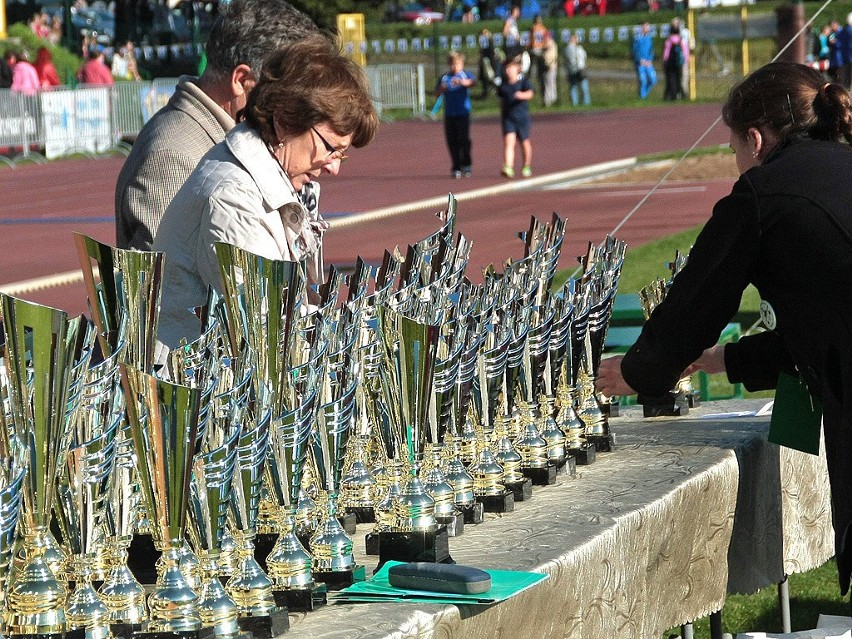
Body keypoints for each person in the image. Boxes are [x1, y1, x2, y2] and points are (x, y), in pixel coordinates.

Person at [595, 62, 852, 598]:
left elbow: (694, 306)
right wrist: (721, 361)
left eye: (733, 148)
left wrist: (637, 371)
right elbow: (825, 323)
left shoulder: (762, 195)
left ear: (755, 140)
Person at [153, 35, 378, 355]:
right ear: (284, 122)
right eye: (331, 149)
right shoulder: (233, 201)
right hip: (198, 391)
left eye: (342, 154)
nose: (334, 168)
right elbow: (267, 329)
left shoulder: (265, 178)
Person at [115, 0, 318, 251]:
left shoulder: (233, 140)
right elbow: (165, 284)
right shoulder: (174, 157)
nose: (297, 110)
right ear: (242, 81)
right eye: (289, 93)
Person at [436, 51, 475, 179]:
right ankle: (456, 166)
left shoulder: (465, 75)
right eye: (452, 64)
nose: (455, 67)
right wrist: (441, 89)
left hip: (463, 113)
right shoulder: (445, 78)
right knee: (452, 140)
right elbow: (437, 93)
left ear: (462, 64)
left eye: (457, 64)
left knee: (464, 139)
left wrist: (464, 83)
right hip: (449, 114)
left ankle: (467, 163)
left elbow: (473, 82)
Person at [497, 54, 533, 178]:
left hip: (522, 118)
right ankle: (508, 166)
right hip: (508, 118)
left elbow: (530, 93)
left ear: (517, 68)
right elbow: (500, 99)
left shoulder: (523, 81)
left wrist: (521, 95)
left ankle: (526, 165)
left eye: (510, 68)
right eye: (506, 68)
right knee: (509, 142)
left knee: (524, 142)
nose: (508, 71)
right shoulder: (503, 84)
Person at [632, 22, 656, 100]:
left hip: (648, 63)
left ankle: (645, 93)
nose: (647, 29)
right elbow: (635, 51)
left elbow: (651, 50)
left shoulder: (649, 38)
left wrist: (650, 60)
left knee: (653, 80)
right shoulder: (637, 38)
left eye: (648, 27)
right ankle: (642, 97)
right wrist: (640, 60)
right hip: (640, 63)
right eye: (646, 27)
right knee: (643, 80)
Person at [565, 33, 590, 106]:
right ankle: (586, 102)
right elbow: (583, 57)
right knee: (583, 87)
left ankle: (574, 103)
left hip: (570, 70)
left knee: (573, 87)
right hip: (580, 69)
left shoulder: (566, 49)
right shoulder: (578, 48)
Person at [662, 25, 686, 100]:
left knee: (671, 79)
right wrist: (684, 61)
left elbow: (666, 52)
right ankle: (681, 94)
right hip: (678, 63)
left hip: (670, 63)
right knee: (678, 78)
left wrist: (664, 61)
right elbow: (685, 52)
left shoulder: (669, 40)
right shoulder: (681, 40)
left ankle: (673, 95)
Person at [671, 16, 693, 98]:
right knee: (676, 77)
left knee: (684, 77)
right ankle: (677, 93)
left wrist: (689, 54)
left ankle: (685, 94)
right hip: (674, 59)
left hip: (683, 58)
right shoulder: (672, 35)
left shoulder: (686, 32)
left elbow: (690, 44)